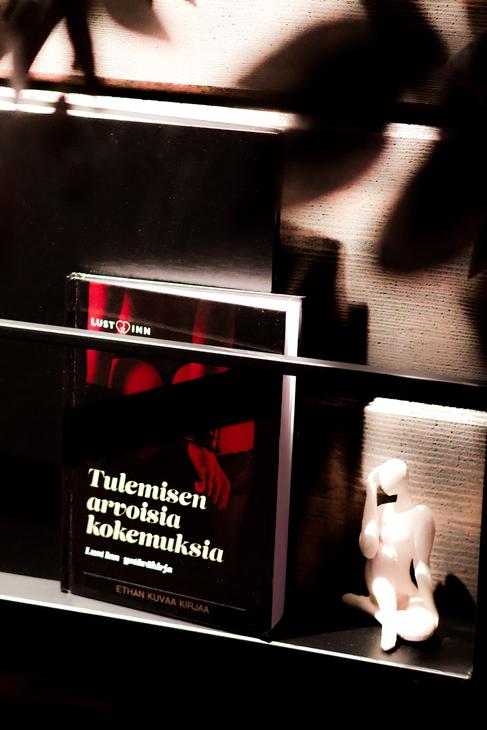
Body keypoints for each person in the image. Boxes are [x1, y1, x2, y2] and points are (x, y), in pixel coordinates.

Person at [343, 458, 439, 651]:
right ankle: (387, 618)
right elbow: (368, 549)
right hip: (380, 582)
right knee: (385, 580)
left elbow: (421, 566)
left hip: (404, 588)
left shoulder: (421, 515)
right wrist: (371, 492)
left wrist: (431, 608)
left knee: (424, 629)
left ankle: (370, 607)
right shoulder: (381, 511)